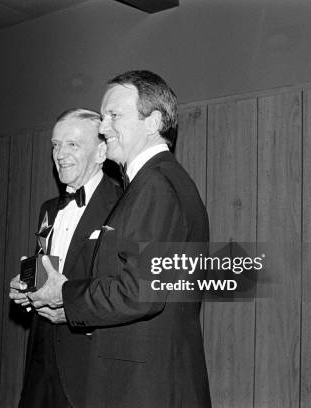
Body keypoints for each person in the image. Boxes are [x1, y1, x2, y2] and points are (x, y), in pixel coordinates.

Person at [29, 71, 212, 407]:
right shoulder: (156, 182)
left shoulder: (156, 186)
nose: (103, 127)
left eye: (114, 115)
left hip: (145, 388)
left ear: (153, 122)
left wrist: (65, 294)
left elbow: (141, 292)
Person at [9, 108, 122, 408]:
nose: (60, 154)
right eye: (56, 145)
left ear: (101, 152)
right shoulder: (48, 208)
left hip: (86, 366)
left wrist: (74, 311)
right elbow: (49, 269)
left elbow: (125, 291)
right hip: (40, 360)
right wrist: (27, 285)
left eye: (73, 144)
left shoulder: (122, 206)